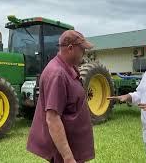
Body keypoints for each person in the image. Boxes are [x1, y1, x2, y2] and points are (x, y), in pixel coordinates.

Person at [27, 30, 95, 163]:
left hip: (74, 150)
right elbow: (52, 119)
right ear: (70, 48)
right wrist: (68, 158)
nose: (84, 53)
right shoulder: (57, 74)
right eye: (82, 49)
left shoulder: (67, 68)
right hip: (64, 156)